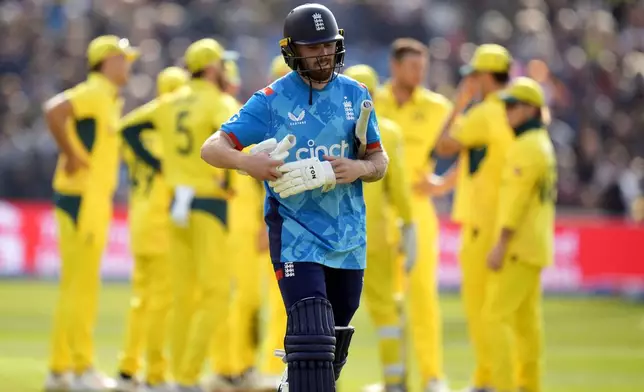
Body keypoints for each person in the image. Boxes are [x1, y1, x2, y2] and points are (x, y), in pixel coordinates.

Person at [200, 4, 388, 392]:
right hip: (296, 235)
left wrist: (360, 169)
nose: (322, 53)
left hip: (350, 238)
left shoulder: (357, 94)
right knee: (312, 334)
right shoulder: (271, 100)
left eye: (328, 44)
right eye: (312, 46)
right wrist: (246, 162)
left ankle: (294, 381)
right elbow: (211, 147)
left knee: (332, 343)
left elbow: (379, 159)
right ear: (292, 51)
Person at [120, 38, 239, 391]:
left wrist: (160, 163)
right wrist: (230, 178)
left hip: (175, 204)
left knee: (182, 297)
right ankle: (187, 377)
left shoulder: (168, 103)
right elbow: (234, 137)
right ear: (213, 67)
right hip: (207, 202)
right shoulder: (218, 101)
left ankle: (173, 377)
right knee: (216, 295)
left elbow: (128, 127)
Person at [42, 35, 138, 392]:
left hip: (87, 199)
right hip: (83, 199)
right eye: (123, 58)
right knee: (80, 290)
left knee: (76, 288)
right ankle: (80, 370)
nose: (127, 64)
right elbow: (54, 110)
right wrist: (70, 153)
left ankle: (59, 370)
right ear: (107, 61)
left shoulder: (107, 97)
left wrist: (72, 152)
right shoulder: (96, 92)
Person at [434, 44, 514, 392]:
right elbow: (474, 159)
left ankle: (490, 379)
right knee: (501, 310)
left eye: (474, 77)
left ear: (483, 76)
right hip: (503, 220)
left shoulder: (484, 113)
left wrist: (460, 102)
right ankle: (493, 377)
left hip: (483, 224)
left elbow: (443, 145)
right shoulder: (518, 113)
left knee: (481, 309)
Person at [374, 38, 452, 392]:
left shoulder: (438, 107)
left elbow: (473, 146)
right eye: (413, 67)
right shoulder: (373, 102)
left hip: (417, 211)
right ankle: (395, 377)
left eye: (423, 67)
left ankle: (432, 377)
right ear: (394, 66)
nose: (420, 74)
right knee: (387, 302)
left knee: (422, 297)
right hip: (378, 209)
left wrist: (443, 184)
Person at [114, 66, 188, 392]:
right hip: (161, 224)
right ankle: (156, 374)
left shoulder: (139, 134)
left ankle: (128, 367)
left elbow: (124, 131)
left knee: (140, 301)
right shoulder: (170, 135)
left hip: (139, 221)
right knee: (161, 303)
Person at [343, 65, 415, 392]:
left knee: (330, 314)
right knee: (387, 311)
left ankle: (325, 381)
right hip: (377, 236)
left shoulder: (330, 129)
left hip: (339, 236)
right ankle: (395, 381)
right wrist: (409, 225)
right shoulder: (389, 131)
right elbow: (397, 186)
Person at [483, 77, 556, 392]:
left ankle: (505, 386)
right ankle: (529, 385)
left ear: (530, 109)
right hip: (533, 246)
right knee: (527, 326)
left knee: (493, 318)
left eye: (512, 107)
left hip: (517, 246)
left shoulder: (527, 147)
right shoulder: (541, 143)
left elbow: (516, 201)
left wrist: (501, 244)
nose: (507, 112)